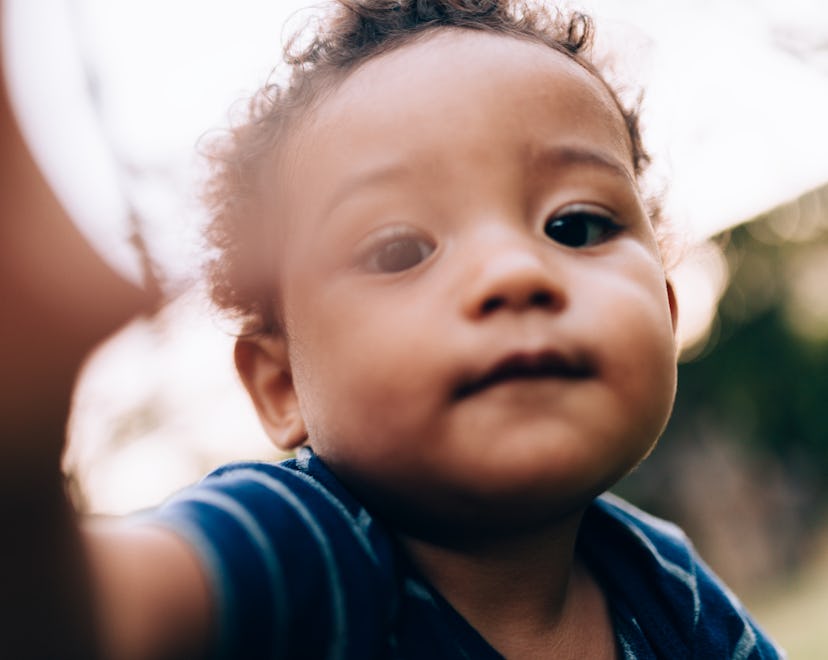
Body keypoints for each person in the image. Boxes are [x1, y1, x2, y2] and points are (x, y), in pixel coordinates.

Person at [2, 0, 784, 658]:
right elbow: (79, 616)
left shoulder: (664, 586)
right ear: (280, 385)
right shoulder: (301, 551)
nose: (515, 273)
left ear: (670, 312)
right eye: (401, 250)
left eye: (574, 226)